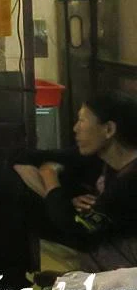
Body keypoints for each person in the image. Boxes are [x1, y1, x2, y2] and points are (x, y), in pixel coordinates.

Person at [15, 92, 137, 271]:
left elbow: (78, 232)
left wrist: (50, 179)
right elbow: (23, 157)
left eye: (82, 121)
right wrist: (64, 198)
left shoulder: (130, 183)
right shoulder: (98, 157)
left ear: (109, 129)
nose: (75, 128)